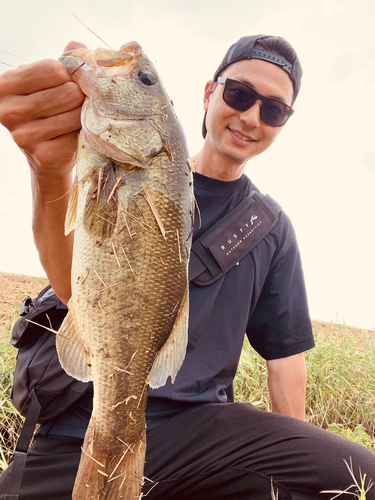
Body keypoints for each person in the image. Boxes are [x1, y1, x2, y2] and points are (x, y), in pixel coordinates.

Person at [0, 35, 374, 500]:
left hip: (200, 433)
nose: (251, 117)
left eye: (274, 110)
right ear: (207, 93)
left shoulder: (272, 229)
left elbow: (285, 360)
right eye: (239, 94)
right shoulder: (123, 165)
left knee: (361, 477)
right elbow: (76, 286)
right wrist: (48, 170)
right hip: (81, 426)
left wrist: (292, 457)